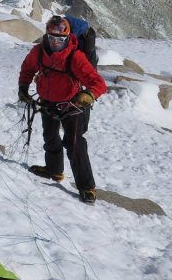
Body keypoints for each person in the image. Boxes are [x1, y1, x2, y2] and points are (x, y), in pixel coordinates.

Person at [18, 15, 108, 204]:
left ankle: (87, 187)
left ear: (68, 38)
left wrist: (90, 95)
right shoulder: (39, 51)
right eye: (52, 38)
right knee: (50, 137)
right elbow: (27, 68)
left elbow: (98, 83)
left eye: (60, 39)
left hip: (72, 105)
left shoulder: (75, 57)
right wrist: (23, 87)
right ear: (46, 36)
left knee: (74, 144)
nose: (56, 43)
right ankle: (54, 171)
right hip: (48, 101)